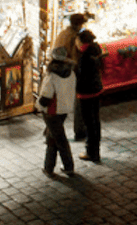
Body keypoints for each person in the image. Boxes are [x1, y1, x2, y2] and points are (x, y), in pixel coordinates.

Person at [36, 46, 77, 176]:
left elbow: (46, 96)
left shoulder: (52, 75)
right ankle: (48, 167)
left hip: (52, 111)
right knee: (52, 136)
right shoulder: (71, 72)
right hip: (64, 109)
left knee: (60, 139)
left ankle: (69, 166)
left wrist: (38, 105)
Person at [74, 29, 104, 163]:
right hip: (96, 89)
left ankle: (91, 152)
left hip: (86, 93)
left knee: (89, 123)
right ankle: (95, 151)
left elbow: (81, 77)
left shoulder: (84, 56)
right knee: (95, 122)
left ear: (81, 41)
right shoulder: (96, 50)